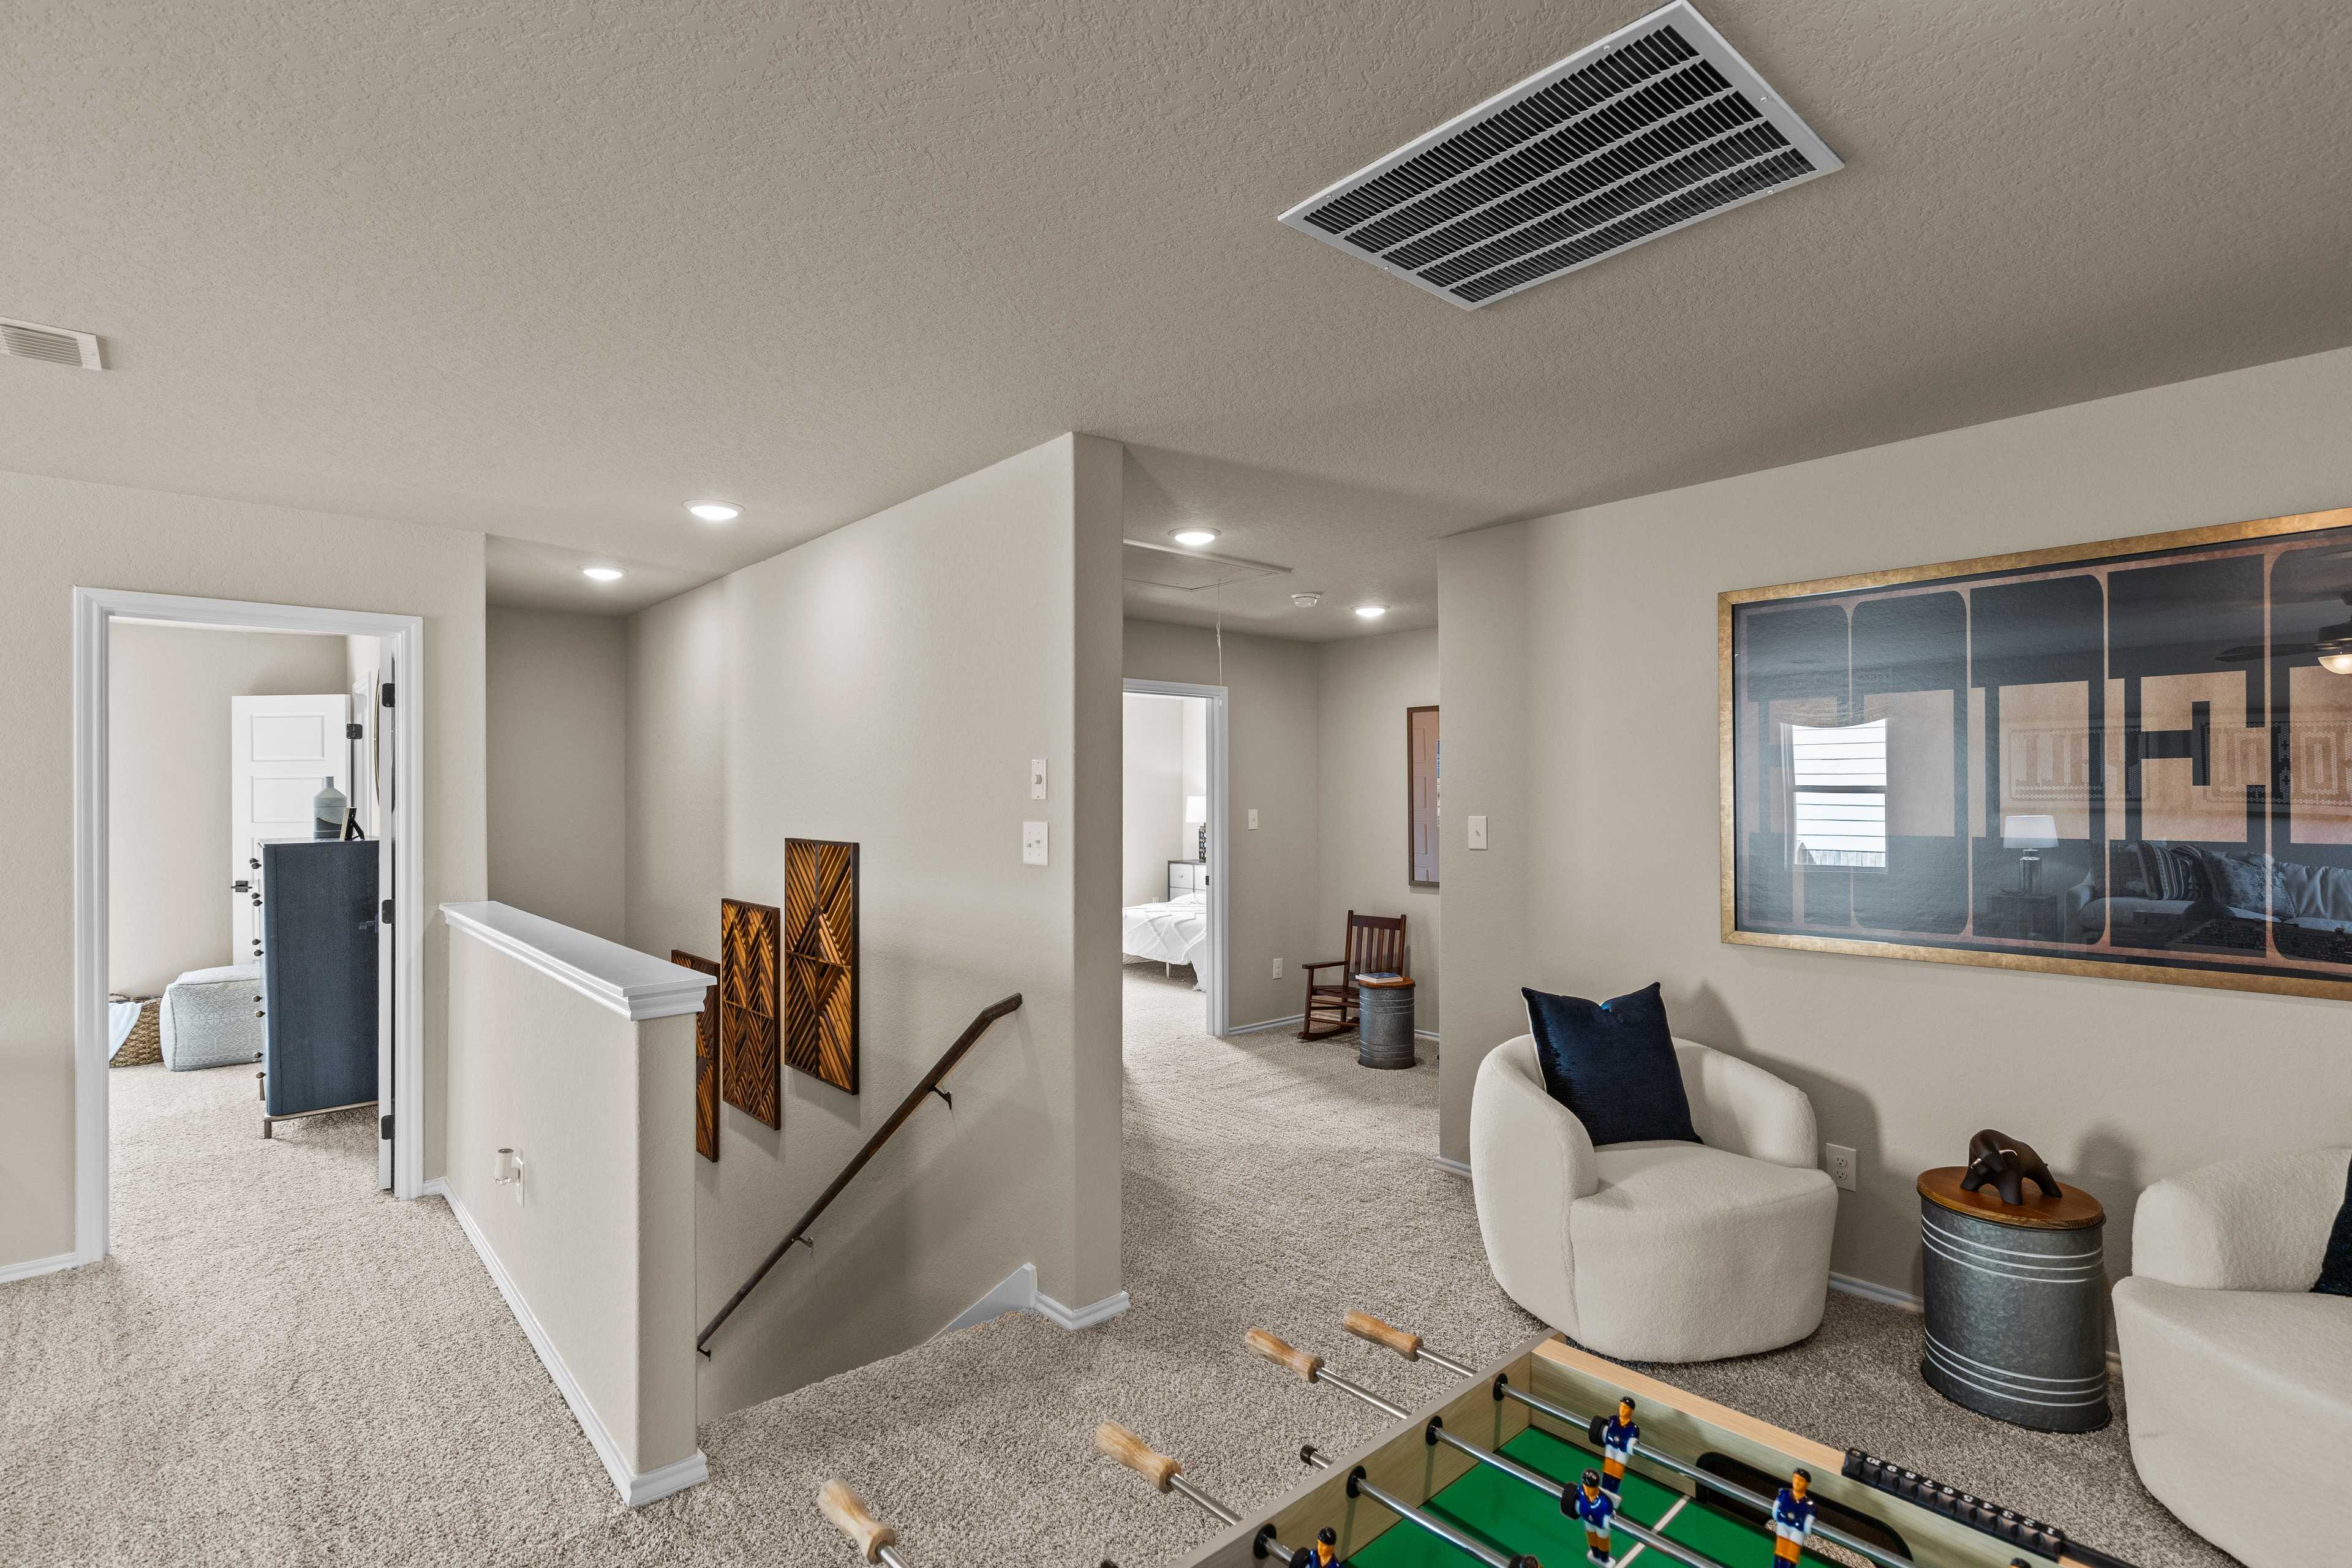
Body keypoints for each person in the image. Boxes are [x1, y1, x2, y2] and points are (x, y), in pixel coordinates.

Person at [1566, 1468, 1615, 1566]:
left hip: (1600, 1525)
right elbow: (1571, 1495)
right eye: (1586, 1486)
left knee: (1603, 1542)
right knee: (1591, 1538)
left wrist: (1611, 1516)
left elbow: (1610, 1511)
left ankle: (1605, 1559)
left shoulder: (1605, 1503)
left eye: (1590, 1487)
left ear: (1596, 1487)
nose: (1587, 1489)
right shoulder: (1581, 1492)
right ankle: (1595, 1554)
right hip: (1588, 1522)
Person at [1770, 1469, 1817, 1566]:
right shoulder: (1784, 1494)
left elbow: (1809, 1521)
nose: (1797, 1482)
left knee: (1792, 1555)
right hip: (1783, 1526)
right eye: (1795, 1478)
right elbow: (1776, 1510)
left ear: (1807, 1484)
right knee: (1780, 1552)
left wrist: (1806, 1525)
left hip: (1797, 1530)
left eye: (1801, 1480)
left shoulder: (1809, 1504)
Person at [1596, 1397, 1638, 1494]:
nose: (1623, 1410)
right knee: (1607, 1470)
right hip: (1610, 1448)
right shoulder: (1612, 1420)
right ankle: (1604, 1490)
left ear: (1631, 1411)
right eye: (1622, 1406)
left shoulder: (1633, 1428)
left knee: (1617, 1473)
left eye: (1626, 1408)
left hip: (1622, 1453)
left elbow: (1633, 1442)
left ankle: (1613, 1493)